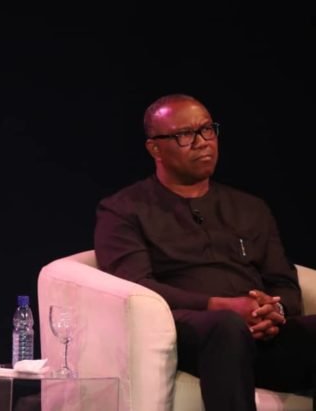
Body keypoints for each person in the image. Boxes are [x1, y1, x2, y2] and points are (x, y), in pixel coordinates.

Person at [94, 93, 316, 411]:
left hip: (261, 336)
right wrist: (216, 305)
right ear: (154, 148)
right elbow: (136, 286)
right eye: (185, 134)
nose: (202, 142)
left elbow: (284, 283)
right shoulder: (124, 209)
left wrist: (272, 313)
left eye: (207, 130)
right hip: (186, 333)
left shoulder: (251, 208)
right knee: (225, 326)